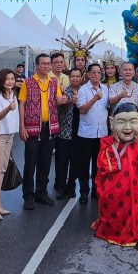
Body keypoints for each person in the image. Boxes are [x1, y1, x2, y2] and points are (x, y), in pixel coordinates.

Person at [92, 102, 138, 246]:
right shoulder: (107, 142)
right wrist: (115, 145)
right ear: (112, 123)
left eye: (133, 122)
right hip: (114, 196)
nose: (128, 128)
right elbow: (103, 165)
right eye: (121, 122)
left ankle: (137, 230)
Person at [19, 53, 62, 210]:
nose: (47, 66)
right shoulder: (28, 82)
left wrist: (64, 98)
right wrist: (21, 127)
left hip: (50, 128)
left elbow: (58, 100)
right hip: (31, 128)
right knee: (30, 164)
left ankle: (41, 193)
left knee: (45, 163)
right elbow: (22, 104)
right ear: (36, 65)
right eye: (43, 63)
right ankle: (28, 196)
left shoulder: (54, 82)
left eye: (48, 64)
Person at [0, 68, 20, 220]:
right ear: (1, 81)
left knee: (2, 170)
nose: (10, 81)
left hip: (10, 135)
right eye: (7, 79)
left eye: (12, 78)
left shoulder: (13, 94)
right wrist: (8, 108)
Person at [75, 63, 109, 204]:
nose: (96, 74)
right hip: (86, 133)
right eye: (93, 72)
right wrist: (95, 98)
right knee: (84, 165)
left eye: (99, 72)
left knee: (98, 165)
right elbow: (82, 110)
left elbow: (108, 106)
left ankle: (96, 191)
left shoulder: (105, 88)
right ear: (88, 74)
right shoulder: (83, 90)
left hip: (101, 133)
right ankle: (83, 192)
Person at [55, 67, 84, 200]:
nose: (75, 79)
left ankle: (71, 186)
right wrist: (69, 103)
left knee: (76, 163)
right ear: (69, 77)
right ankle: (60, 188)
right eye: (73, 76)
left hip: (80, 134)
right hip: (64, 133)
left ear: (81, 78)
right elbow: (58, 108)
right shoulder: (63, 91)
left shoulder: (85, 92)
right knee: (62, 162)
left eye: (78, 76)